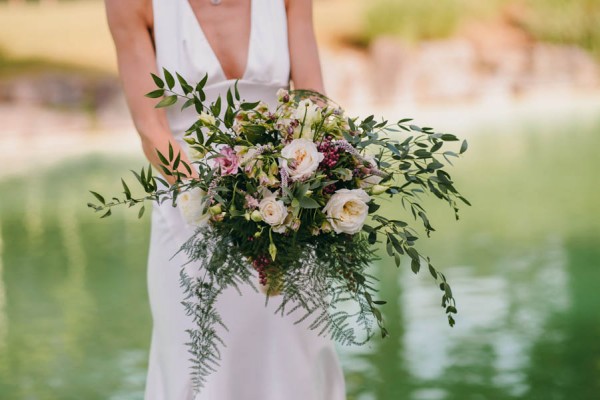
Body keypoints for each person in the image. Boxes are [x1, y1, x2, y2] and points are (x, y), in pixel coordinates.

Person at [105, 0, 346, 399]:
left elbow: (313, 101)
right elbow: (151, 130)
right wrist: (220, 204)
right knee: (198, 364)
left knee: (296, 359)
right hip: (190, 208)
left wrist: (318, 176)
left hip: (286, 203)